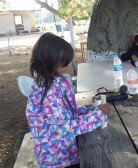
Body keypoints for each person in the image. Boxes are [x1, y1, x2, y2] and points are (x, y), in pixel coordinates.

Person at [26, 32, 109, 167]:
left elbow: (65, 113)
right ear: (50, 61)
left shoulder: (51, 81)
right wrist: (97, 115)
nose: (67, 67)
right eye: (63, 63)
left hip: (63, 150)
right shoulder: (47, 93)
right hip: (57, 158)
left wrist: (89, 110)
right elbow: (65, 127)